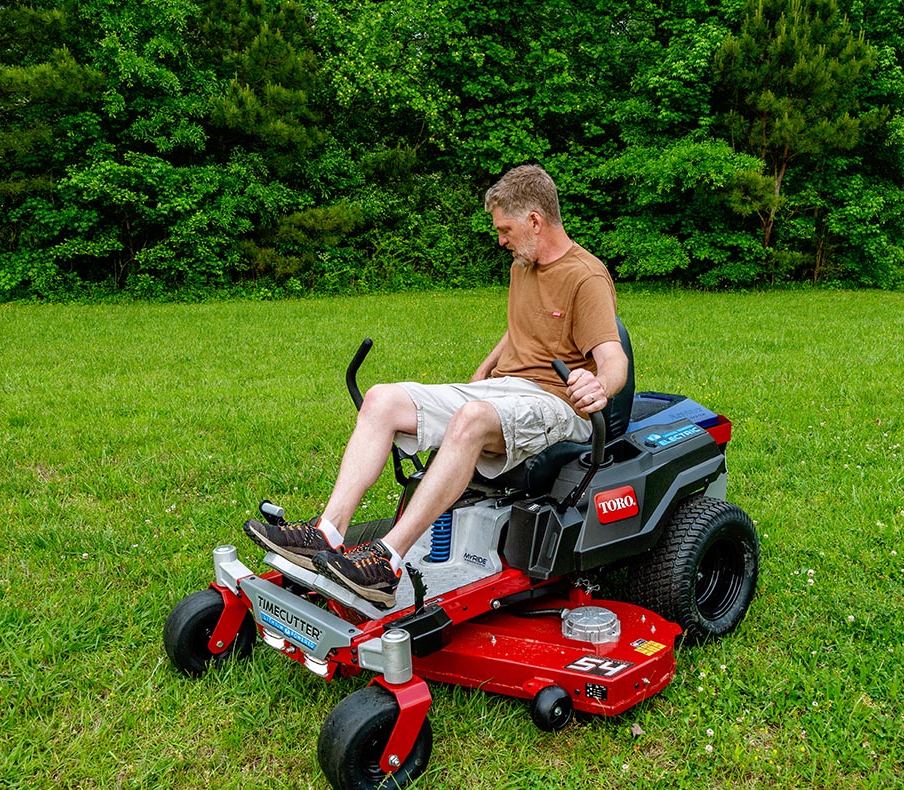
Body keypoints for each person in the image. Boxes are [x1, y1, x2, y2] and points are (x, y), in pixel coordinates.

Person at [244, 164, 627, 606]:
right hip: (504, 392)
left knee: (470, 419)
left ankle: (387, 560)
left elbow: (612, 358)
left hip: (557, 403)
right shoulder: (524, 264)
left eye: (505, 228)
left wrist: (599, 386)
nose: (500, 238)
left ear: (535, 221)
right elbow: (525, 327)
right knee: (382, 399)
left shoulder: (587, 276)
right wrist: (487, 367)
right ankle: (327, 533)